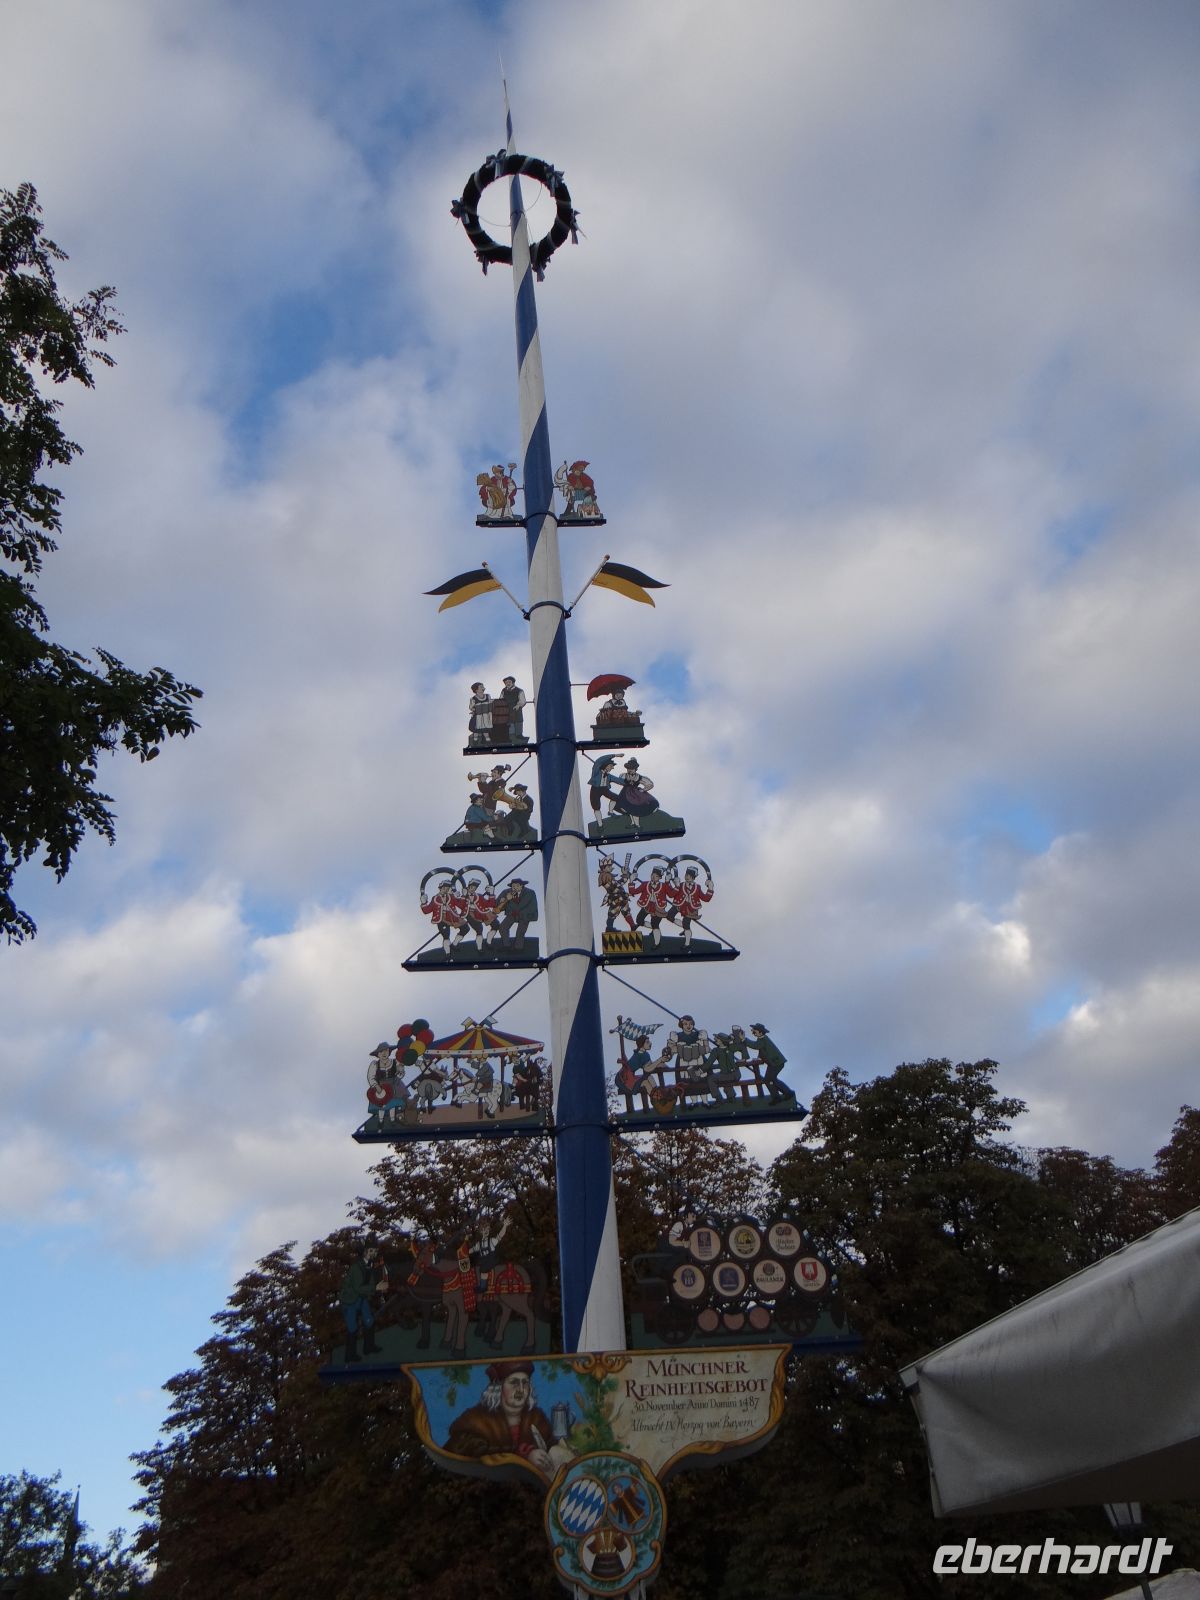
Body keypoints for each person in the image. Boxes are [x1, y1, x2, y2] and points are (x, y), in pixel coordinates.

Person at [445, 1359, 558, 1477]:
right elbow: (465, 1455)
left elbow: (551, 1447)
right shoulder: (476, 1419)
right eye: (514, 1382)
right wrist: (525, 1455)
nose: (521, 1389)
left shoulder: (536, 1417)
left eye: (525, 1382)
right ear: (498, 1387)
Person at [339, 1238, 384, 1363]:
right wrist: (375, 1288)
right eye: (371, 1251)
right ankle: (350, 1355)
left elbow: (371, 1284)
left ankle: (369, 1347)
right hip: (350, 1300)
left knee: (369, 1320)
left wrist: (377, 1289)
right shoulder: (356, 1268)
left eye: (375, 1251)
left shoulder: (369, 1266)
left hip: (362, 1298)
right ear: (365, 1252)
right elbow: (358, 1287)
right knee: (352, 1327)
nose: (373, 1254)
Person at [663, 1015, 711, 1102]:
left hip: (698, 1060)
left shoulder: (698, 1034)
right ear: (682, 1025)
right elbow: (671, 1050)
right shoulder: (677, 1036)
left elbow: (706, 1048)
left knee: (702, 1081)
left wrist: (703, 1047)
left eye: (690, 1024)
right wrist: (669, 1055)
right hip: (683, 1061)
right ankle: (694, 1102)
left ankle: (705, 1101)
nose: (688, 1026)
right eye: (685, 1024)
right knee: (687, 1082)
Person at [669, 865, 714, 948]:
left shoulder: (697, 887)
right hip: (679, 904)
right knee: (669, 915)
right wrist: (673, 883)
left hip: (691, 908)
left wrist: (710, 888)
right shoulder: (681, 885)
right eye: (686, 875)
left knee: (686, 924)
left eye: (689, 876)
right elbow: (671, 894)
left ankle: (687, 943)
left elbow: (706, 898)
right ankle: (685, 927)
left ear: (693, 877)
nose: (687, 877)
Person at [421, 881, 467, 955]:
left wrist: (462, 896)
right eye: (445, 888)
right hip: (441, 919)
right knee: (446, 935)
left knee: (466, 928)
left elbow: (461, 905)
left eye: (448, 888)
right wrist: (424, 902)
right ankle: (448, 953)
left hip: (453, 917)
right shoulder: (435, 898)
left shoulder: (451, 896)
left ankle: (454, 944)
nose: (446, 889)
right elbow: (427, 910)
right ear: (441, 888)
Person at [750, 1022, 791, 1104]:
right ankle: (779, 1095)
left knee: (770, 1079)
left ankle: (786, 1093)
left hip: (776, 1063)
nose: (753, 1033)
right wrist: (759, 1058)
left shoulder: (763, 1039)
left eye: (754, 1031)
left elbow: (756, 1046)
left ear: (760, 1032)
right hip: (773, 1063)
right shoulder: (761, 1039)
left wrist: (744, 1040)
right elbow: (762, 1050)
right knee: (769, 1080)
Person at [611, 758, 660, 827]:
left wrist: (644, 789)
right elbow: (620, 781)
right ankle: (633, 823)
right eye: (628, 768)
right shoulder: (624, 775)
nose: (629, 770)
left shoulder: (639, 777)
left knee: (634, 807)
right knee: (628, 807)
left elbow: (650, 784)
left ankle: (637, 825)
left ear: (635, 769)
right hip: (625, 793)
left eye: (631, 768)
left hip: (635, 795)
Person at [495, 878, 537, 947]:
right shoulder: (506, 892)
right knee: (502, 928)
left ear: (521, 886)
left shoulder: (529, 893)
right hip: (512, 914)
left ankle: (518, 948)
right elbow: (496, 906)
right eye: (513, 886)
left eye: (517, 886)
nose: (515, 888)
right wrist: (504, 901)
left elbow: (523, 906)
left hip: (525, 915)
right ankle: (507, 946)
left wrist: (509, 900)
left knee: (520, 932)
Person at [589, 754, 619, 826]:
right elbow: (599, 761)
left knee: (616, 798)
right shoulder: (596, 771)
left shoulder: (609, 776)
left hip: (604, 789)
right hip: (595, 789)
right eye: (611, 766)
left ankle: (610, 812)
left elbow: (619, 780)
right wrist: (615, 755)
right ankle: (600, 825)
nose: (612, 768)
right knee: (596, 807)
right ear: (606, 765)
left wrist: (630, 783)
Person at [498, 676, 527, 741]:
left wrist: (518, 705)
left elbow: (522, 700)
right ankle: (511, 736)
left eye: (509, 682)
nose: (507, 684)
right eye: (506, 683)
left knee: (518, 721)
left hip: (516, 708)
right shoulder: (504, 691)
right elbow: (501, 699)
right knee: (509, 722)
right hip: (507, 709)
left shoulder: (519, 690)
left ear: (513, 682)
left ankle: (519, 735)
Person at [468, 683, 492, 747]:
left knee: (485, 728)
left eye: (483, 687)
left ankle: (488, 740)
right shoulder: (473, 698)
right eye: (481, 687)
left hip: (486, 715)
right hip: (478, 716)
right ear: (476, 690)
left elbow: (490, 704)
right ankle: (475, 740)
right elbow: (471, 707)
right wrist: (474, 710)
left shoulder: (487, 696)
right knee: (476, 729)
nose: (483, 688)